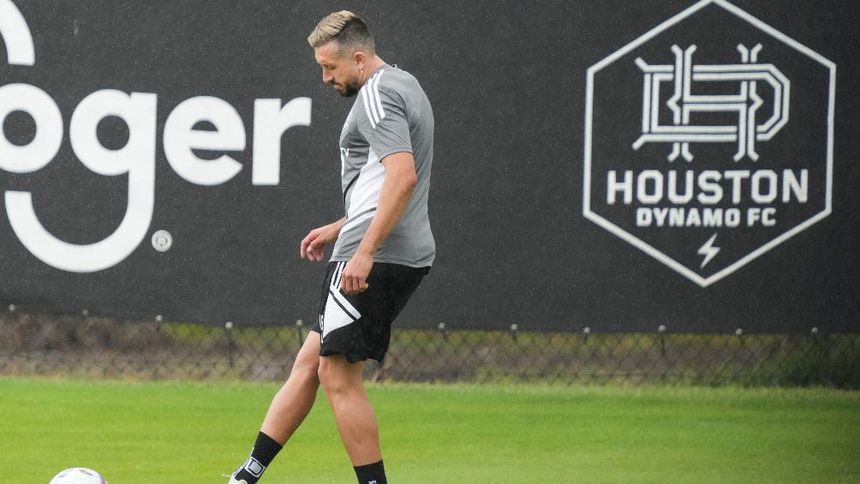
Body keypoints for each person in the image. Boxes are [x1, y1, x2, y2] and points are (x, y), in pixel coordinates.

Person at [229, 10, 435, 484]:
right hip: (382, 246)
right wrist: (342, 226)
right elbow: (387, 182)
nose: (325, 78)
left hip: (375, 254)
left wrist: (363, 249)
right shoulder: (405, 85)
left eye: (330, 67)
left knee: (337, 376)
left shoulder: (378, 94)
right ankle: (247, 475)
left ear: (359, 59)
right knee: (309, 365)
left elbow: (403, 177)